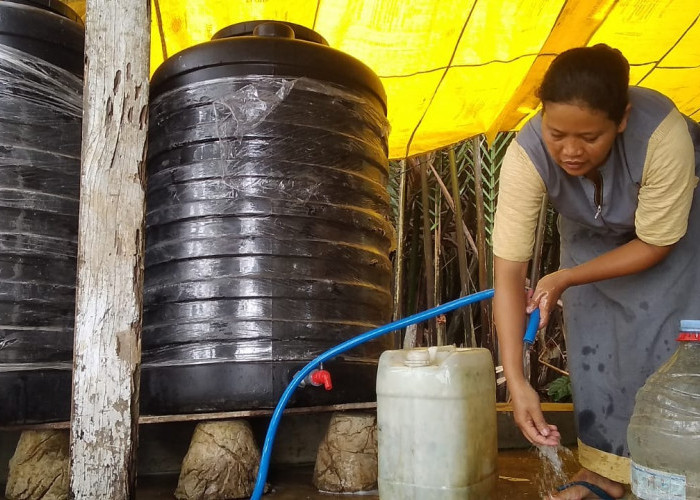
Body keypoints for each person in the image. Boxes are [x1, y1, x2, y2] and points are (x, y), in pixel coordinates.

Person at [492, 44, 700, 500]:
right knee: (595, 344)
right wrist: (518, 380)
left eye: (589, 138)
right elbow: (508, 272)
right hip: (589, 229)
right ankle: (607, 473)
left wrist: (566, 276)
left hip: (673, 235)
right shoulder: (526, 154)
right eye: (556, 132)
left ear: (620, 120)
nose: (569, 151)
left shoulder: (662, 135)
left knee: (675, 342)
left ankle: (674, 476)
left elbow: (657, 242)